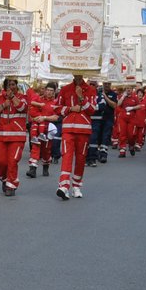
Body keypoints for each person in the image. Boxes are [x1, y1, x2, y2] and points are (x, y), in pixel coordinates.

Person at [55, 71, 96, 200]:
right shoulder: (65, 89)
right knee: (66, 156)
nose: (77, 76)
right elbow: (57, 107)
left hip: (83, 130)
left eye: (80, 74)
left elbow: (92, 110)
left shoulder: (91, 90)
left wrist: (82, 98)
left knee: (80, 158)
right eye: (75, 74)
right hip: (68, 128)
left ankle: (76, 186)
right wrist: (70, 109)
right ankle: (64, 186)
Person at [0, 76, 30, 196]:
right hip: (1, 136)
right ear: (5, 87)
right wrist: (3, 105)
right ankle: (4, 178)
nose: (11, 87)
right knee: (0, 161)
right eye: (9, 85)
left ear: (16, 85)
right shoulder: (0, 98)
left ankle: (11, 185)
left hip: (17, 136)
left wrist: (12, 98)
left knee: (12, 161)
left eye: (13, 84)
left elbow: (23, 108)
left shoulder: (23, 98)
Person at [26, 79, 58, 178]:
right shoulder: (38, 100)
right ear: (44, 90)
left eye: (51, 91)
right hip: (36, 128)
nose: (49, 92)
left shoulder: (56, 103)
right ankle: (33, 169)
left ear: (54, 92)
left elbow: (56, 117)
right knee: (35, 147)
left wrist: (44, 118)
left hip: (48, 130)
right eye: (47, 90)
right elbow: (31, 111)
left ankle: (45, 166)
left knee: (46, 150)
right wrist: (34, 118)